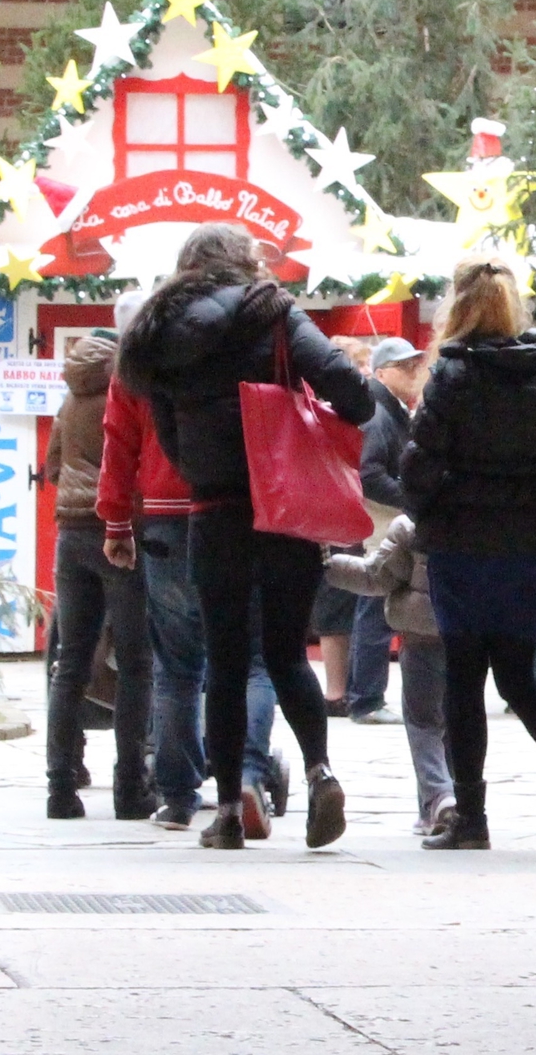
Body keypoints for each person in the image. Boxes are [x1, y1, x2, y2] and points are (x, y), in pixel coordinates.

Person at [118, 222, 372, 850]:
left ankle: (228, 810)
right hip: (284, 505)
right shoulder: (273, 312)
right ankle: (319, 773)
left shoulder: (158, 330)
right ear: (244, 262)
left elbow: (168, 434)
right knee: (286, 653)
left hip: (213, 510)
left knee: (224, 664)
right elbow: (354, 395)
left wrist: (205, 467)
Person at [399, 258, 536, 853]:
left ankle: (472, 817)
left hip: (462, 547)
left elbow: (418, 471)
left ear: (457, 308)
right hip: (528, 547)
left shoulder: (452, 375)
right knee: (519, 675)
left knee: (463, 677)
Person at [99, 311, 289, 835]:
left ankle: (178, 797)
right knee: (251, 658)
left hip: (164, 516)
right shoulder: (247, 340)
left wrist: (116, 521)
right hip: (238, 508)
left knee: (177, 665)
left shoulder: (142, 351)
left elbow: (118, 440)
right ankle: (248, 775)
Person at [44, 329, 153, 820]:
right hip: (118, 532)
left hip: (70, 536)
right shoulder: (127, 392)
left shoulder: (69, 399)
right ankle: (130, 788)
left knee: (71, 663)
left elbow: (51, 469)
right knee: (134, 664)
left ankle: (60, 788)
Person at [324, 513, 453, 836]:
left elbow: (375, 577)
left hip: (421, 635)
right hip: (469, 638)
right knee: (459, 720)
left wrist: (328, 564)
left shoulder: (410, 527)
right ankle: (447, 801)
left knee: (423, 721)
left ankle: (439, 795)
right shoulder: (484, 522)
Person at [344, 335, 430, 727]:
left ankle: (366, 695)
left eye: (416, 364)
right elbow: (369, 474)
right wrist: (409, 500)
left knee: (377, 602)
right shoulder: (380, 412)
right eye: (405, 366)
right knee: (375, 604)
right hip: (382, 522)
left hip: (385, 519)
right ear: (381, 372)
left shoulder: (389, 408)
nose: (415, 371)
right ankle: (366, 698)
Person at [311, 335, 376, 717]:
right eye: (360, 366)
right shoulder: (330, 413)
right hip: (335, 514)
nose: (366, 374)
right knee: (336, 600)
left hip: (346, 512)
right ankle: (335, 691)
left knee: (349, 599)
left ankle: (345, 687)